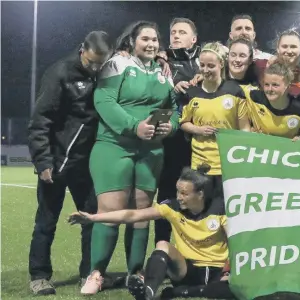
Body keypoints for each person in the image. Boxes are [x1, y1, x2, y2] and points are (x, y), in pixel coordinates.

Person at [81, 20, 178, 295]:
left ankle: (135, 272)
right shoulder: (117, 63)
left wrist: (172, 125)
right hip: (115, 146)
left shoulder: (163, 71)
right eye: (145, 39)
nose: (151, 44)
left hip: (151, 151)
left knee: (140, 213)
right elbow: (104, 101)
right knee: (110, 211)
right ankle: (96, 272)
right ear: (132, 42)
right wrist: (134, 127)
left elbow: (174, 108)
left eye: (155, 40)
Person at [26, 31, 113, 295]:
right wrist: (43, 162)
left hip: (87, 166)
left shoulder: (104, 73)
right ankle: (39, 276)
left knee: (91, 221)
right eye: (92, 62)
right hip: (56, 163)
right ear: (81, 50)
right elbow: (40, 121)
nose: (96, 68)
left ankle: (89, 273)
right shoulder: (60, 73)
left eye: (102, 63)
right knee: (46, 222)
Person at [68, 164, 231, 300]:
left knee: (236, 291)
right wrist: (93, 218)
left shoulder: (221, 209)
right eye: (177, 191)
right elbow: (133, 215)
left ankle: (179, 293)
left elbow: (236, 243)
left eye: (184, 193)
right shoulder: (171, 207)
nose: (179, 197)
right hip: (186, 270)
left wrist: (229, 271)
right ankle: (148, 292)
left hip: (218, 271)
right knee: (162, 244)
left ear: (200, 194)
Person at [178, 41, 251, 207]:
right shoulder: (192, 93)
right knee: (202, 212)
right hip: (200, 165)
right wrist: (198, 129)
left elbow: (244, 127)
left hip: (228, 164)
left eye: (210, 65)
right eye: (202, 65)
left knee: (226, 212)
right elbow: (183, 123)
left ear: (221, 64)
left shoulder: (235, 91)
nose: (205, 70)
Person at [155, 17, 200, 247]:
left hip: (199, 143)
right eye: (173, 32)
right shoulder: (158, 62)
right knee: (165, 196)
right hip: (169, 142)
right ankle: (160, 249)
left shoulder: (207, 60)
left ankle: (193, 255)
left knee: (195, 197)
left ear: (194, 39)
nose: (176, 35)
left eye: (182, 32)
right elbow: (155, 103)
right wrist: (173, 90)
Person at [240, 62, 300, 139]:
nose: (270, 89)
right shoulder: (254, 98)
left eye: (275, 85)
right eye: (266, 84)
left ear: (288, 86)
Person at [254, 29, 300, 97]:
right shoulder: (261, 66)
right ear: (278, 48)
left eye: (293, 47)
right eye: (284, 46)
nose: (289, 51)